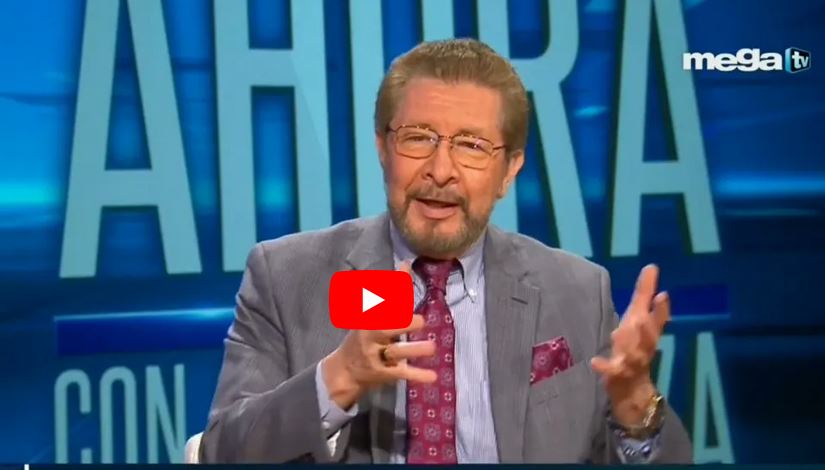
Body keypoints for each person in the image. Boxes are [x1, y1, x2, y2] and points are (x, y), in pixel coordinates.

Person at [199, 38, 691, 464]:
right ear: (382, 148)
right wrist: (337, 378)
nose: (440, 170)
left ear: (510, 169)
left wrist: (634, 406)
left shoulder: (578, 291)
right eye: (418, 139)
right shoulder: (286, 278)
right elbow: (222, 450)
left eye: (472, 146)